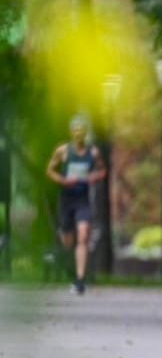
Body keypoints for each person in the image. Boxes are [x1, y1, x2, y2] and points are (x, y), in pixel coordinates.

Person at [45, 115, 105, 295]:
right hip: (66, 200)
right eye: (75, 130)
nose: (78, 134)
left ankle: (80, 281)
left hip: (82, 200)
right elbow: (49, 170)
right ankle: (70, 266)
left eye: (81, 130)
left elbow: (102, 170)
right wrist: (63, 180)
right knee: (67, 241)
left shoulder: (93, 152)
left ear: (85, 132)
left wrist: (94, 177)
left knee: (84, 234)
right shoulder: (63, 151)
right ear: (71, 132)